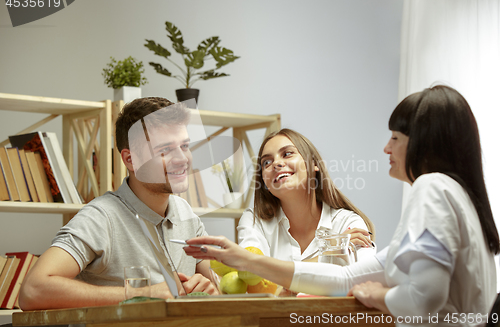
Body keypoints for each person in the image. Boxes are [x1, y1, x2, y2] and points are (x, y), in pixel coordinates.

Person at [184, 86, 499, 326]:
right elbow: (344, 280)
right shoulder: (457, 196)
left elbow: (425, 298)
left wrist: (380, 296)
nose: (386, 147)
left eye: (395, 138)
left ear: (424, 141)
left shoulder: (431, 188)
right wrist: (245, 260)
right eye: (266, 161)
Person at [19, 97, 218, 310]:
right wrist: (143, 294)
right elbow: (32, 290)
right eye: (165, 150)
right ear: (131, 160)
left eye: (185, 146)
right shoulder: (100, 217)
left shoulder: (185, 212)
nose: (183, 159)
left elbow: (221, 284)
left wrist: (213, 289)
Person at [237, 129, 376, 265]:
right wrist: (329, 253)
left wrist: (278, 279)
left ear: (314, 164)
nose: (276, 164)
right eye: (266, 162)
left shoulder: (347, 224)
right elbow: (254, 279)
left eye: (287, 154)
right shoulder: (254, 221)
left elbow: (365, 279)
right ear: (264, 181)